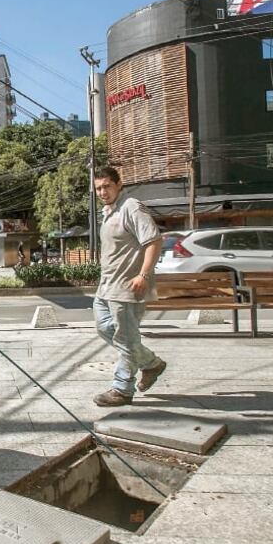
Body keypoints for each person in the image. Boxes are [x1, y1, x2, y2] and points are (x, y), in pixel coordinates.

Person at [91, 164, 166, 407]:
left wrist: (143, 275)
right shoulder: (109, 211)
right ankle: (151, 363)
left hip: (128, 287)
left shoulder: (131, 207)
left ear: (119, 184)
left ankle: (122, 388)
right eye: (98, 188)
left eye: (107, 186)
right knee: (105, 328)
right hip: (107, 286)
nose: (103, 192)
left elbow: (153, 241)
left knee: (125, 337)